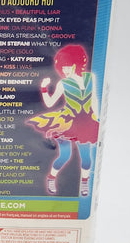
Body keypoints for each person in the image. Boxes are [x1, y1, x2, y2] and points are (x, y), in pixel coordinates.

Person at [27, 43, 99, 196]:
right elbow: (50, 103)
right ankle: (51, 178)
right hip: (65, 122)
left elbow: (94, 100)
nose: (65, 70)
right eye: (63, 67)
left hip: (85, 123)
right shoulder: (63, 83)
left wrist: (97, 120)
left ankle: (84, 183)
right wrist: (44, 88)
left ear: (76, 63)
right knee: (65, 155)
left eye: (68, 66)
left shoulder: (90, 78)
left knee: (86, 158)